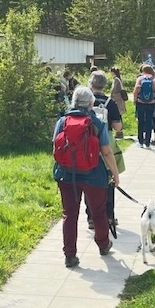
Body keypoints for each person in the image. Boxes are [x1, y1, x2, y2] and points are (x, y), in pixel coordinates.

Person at [52, 86, 120, 268]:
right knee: (98, 212)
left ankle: (70, 255)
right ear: (91, 103)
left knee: (69, 214)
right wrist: (115, 173)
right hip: (93, 175)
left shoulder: (62, 121)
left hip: (66, 175)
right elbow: (106, 151)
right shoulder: (96, 123)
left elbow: (55, 147)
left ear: (73, 102)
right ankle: (103, 245)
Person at [84, 72, 123, 232]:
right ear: (104, 85)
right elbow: (118, 127)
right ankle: (109, 216)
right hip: (106, 144)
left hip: (87, 145)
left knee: (88, 182)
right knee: (109, 181)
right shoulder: (110, 102)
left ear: (90, 84)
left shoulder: (85, 101)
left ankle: (91, 217)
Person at [132, 64, 155, 148]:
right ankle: (147, 143)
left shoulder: (140, 79)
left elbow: (135, 90)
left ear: (143, 71)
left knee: (140, 122)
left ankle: (140, 142)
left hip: (140, 103)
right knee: (149, 122)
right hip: (151, 103)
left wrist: (134, 100)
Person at [109, 66, 127, 138]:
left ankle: (119, 132)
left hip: (117, 99)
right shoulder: (118, 79)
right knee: (119, 115)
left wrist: (110, 96)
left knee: (118, 115)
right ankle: (119, 132)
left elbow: (113, 89)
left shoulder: (116, 79)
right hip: (119, 99)